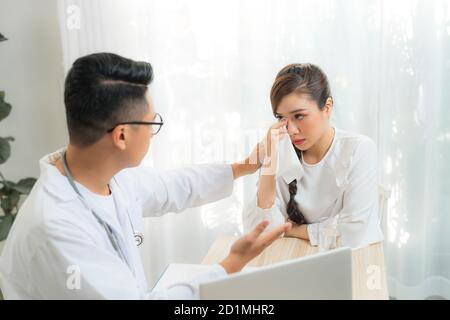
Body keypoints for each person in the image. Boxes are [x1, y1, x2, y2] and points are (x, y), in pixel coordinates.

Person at [0, 53, 291, 299]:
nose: (153, 131)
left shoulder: (101, 175)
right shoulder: (57, 228)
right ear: (122, 135)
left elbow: (173, 186)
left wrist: (244, 166)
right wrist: (231, 263)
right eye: (152, 122)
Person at [244, 63, 383, 248]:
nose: (291, 130)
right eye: (281, 118)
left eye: (299, 116)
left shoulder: (359, 149)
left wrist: (291, 230)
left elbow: (354, 233)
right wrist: (268, 163)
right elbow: (259, 231)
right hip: (295, 258)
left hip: (350, 262)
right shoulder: (280, 148)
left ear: (327, 107)